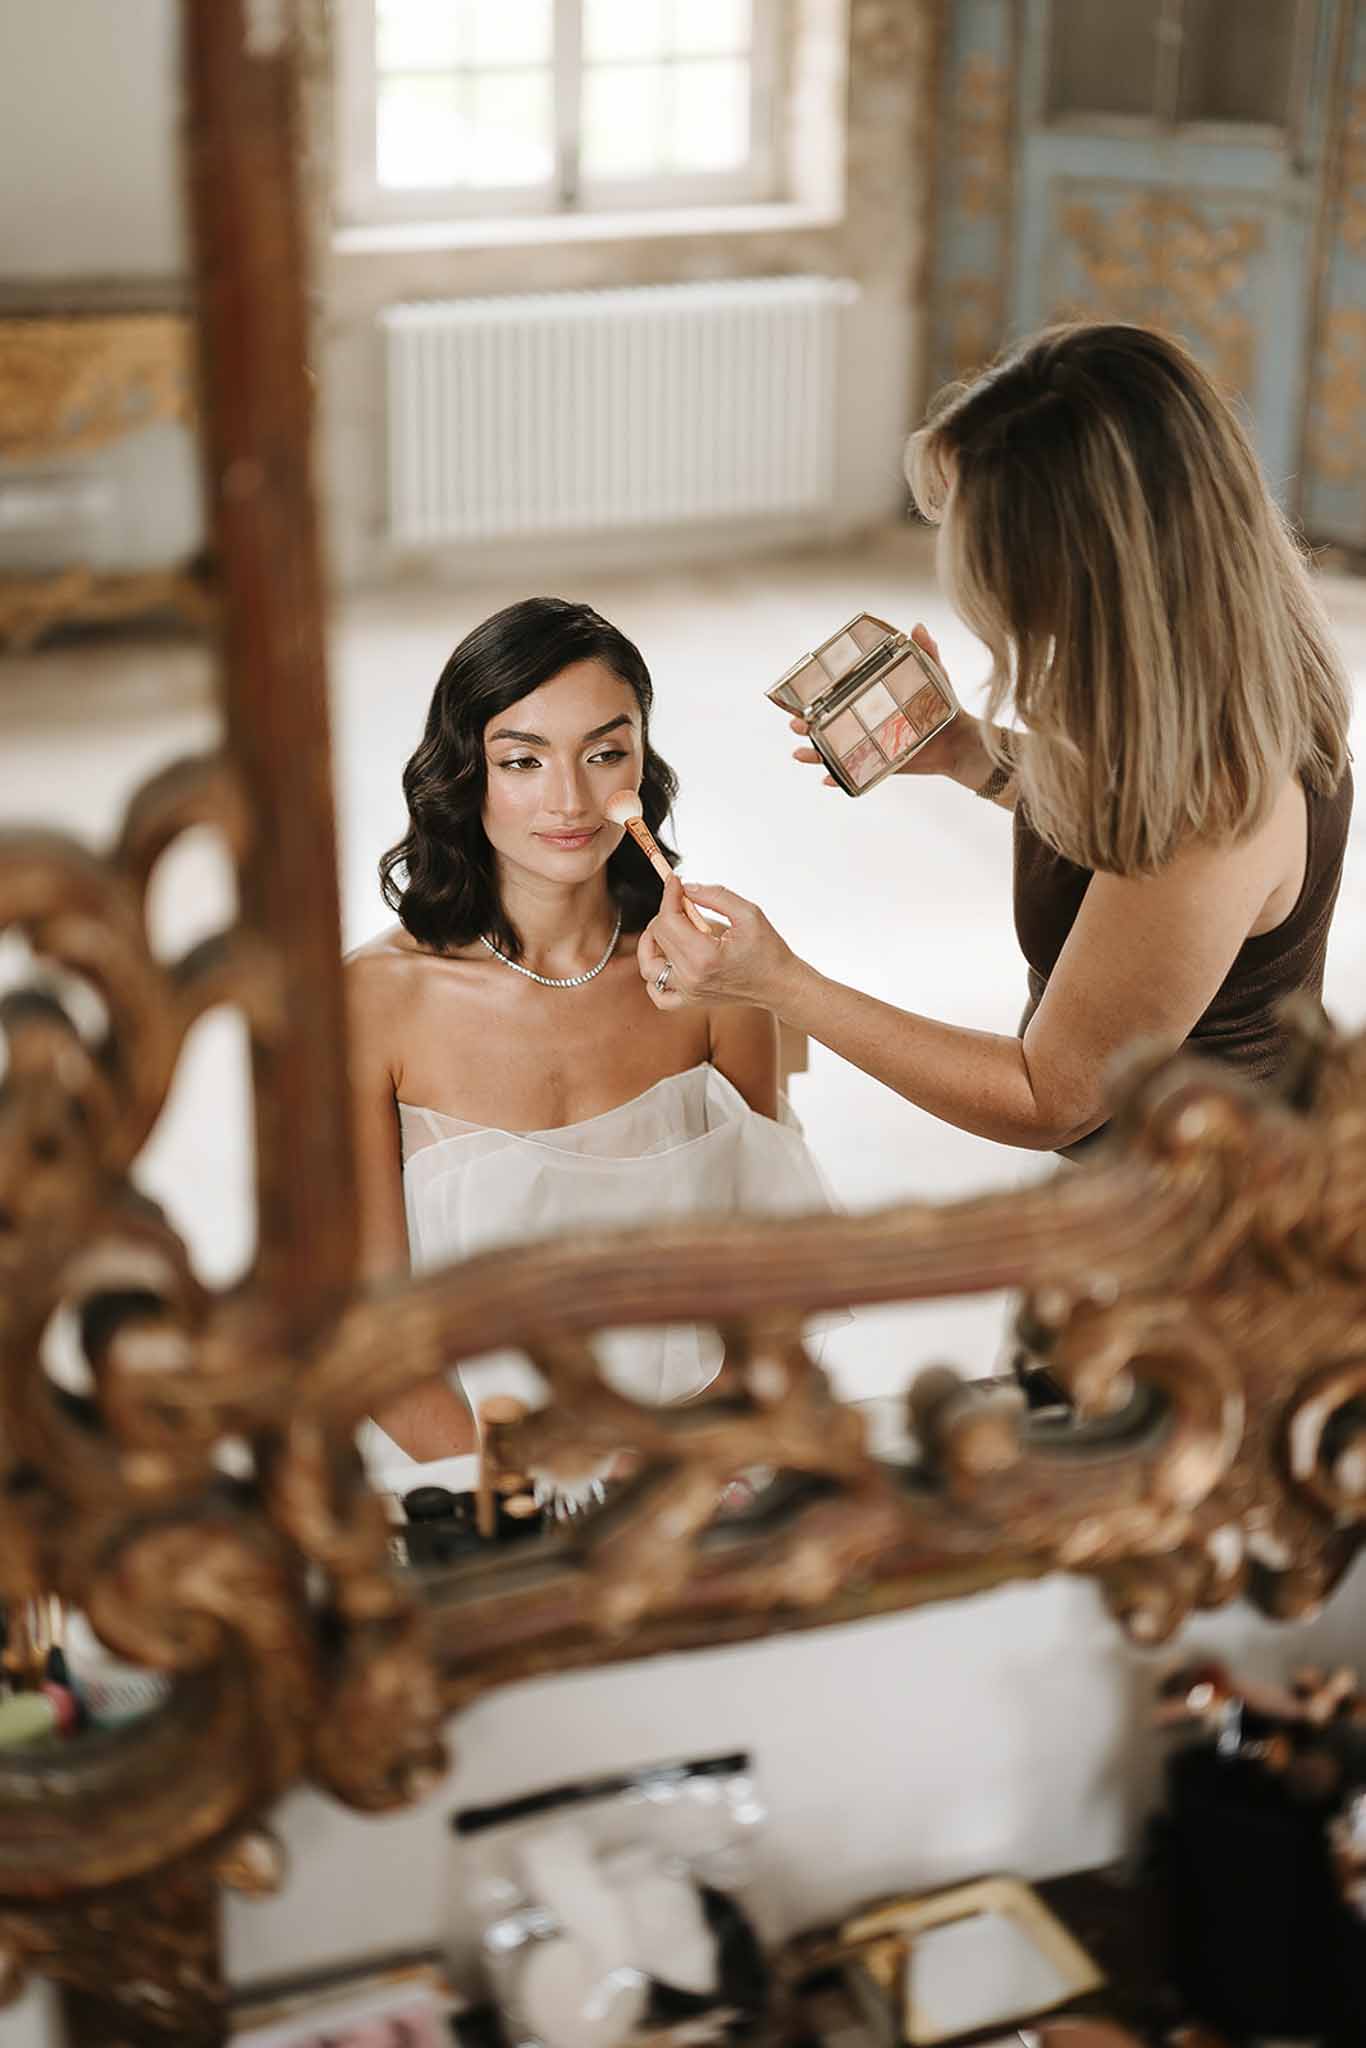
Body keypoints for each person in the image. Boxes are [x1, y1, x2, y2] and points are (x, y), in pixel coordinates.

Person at [637, 323, 1354, 1157]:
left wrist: (780, 984)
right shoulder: (1224, 675)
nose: (959, 573)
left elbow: (1048, 1096)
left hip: (1200, 1214)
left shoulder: (1216, 803)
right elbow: (1121, 822)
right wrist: (971, 753)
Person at [345, 597, 833, 1471]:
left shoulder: (718, 984)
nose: (570, 800)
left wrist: (691, 1478)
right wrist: (520, 1510)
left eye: (605, 753)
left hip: (706, 1469)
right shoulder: (375, 1004)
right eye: (523, 760)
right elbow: (374, 1340)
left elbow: (772, 1278)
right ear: (465, 773)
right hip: (473, 1482)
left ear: (642, 765)